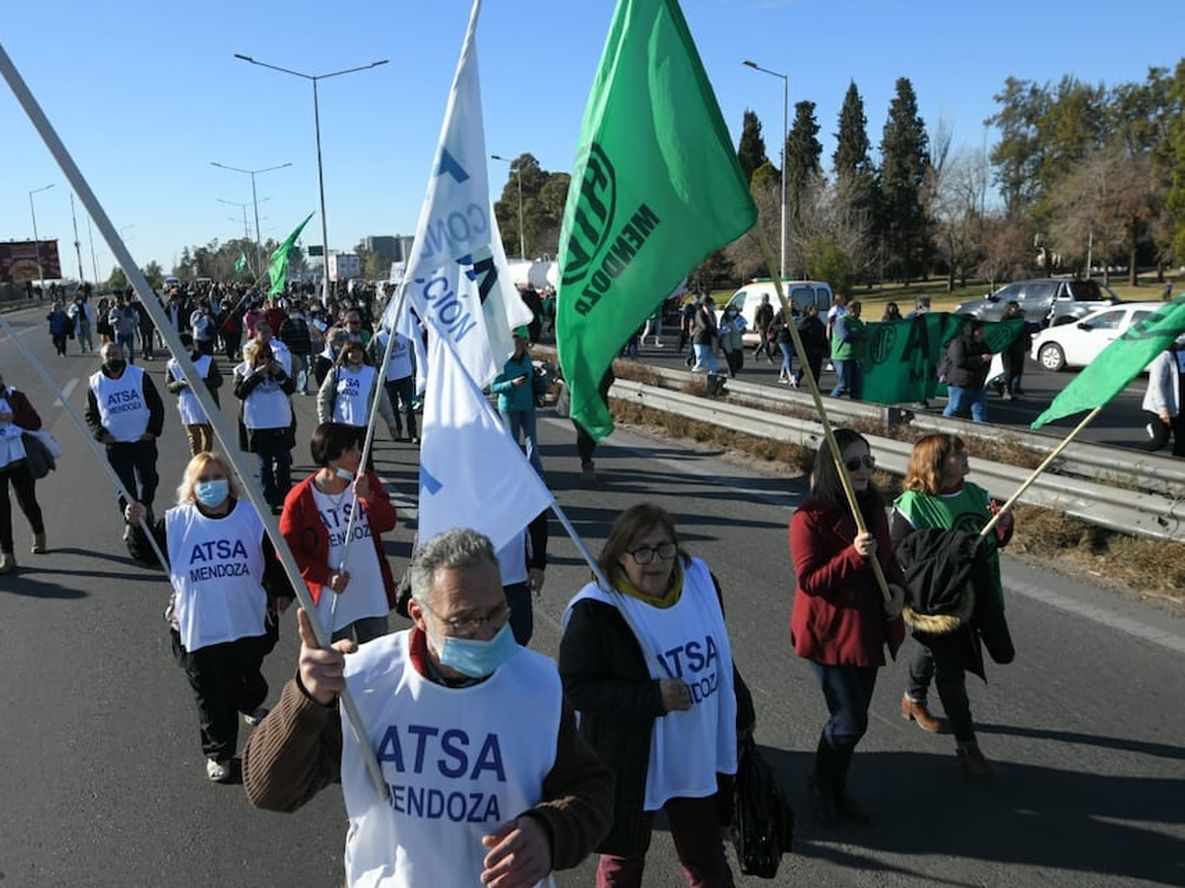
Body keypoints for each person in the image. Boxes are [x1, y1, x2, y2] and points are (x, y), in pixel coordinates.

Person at [243, 527, 614, 886]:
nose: (486, 633)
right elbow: (270, 790)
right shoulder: (364, 678)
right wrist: (305, 698)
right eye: (463, 620)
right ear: (419, 614)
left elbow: (593, 791)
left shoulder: (539, 683)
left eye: (497, 612)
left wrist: (551, 831)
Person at [560, 503, 745, 886]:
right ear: (619, 556)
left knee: (707, 860)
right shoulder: (597, 610)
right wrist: (651, 697)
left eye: (664, 547)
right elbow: (576, 689)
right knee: (624, 862)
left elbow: (721, 655)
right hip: (631, 761)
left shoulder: (699, 583)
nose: (655, 561)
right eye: (641, 551)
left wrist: (743, 715)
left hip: (694, 752)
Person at [125, 452, 293, 782]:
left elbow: (272, 558)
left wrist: (281, 591)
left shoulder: (250, 516)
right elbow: (146, 553)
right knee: (212, 694)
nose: (211, 485)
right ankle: (220, 753)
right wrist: (136, 525)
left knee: (247, 676)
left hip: (247, 621)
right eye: (203, 480)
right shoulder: (176, 522)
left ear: (229, 482)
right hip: (199, 629)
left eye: (217, 478)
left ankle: (247, 700)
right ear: (192, 485)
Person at [789, 429, 905, 827]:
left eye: (868, 462)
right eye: (853, 463)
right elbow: (810, 580)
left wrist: (897, 590)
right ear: (832, 467)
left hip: (867, 629)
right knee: (849, 721)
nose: (864, 470)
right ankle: (822, 783)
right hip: (829, 634)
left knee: (855, 721)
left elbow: (888, 562)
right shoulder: (808, 517)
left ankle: (835, 785)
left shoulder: (874, 505)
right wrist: (852, 556)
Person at [892, 434, 1015, 778]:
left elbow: (996, 540)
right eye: (955, 453)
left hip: (982, 594)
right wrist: (951, 552)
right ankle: (968, 748)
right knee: (951, 671)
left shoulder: (977, 495)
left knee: (928, 648)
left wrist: (1005, 525)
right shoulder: (912, 505)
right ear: (934, 463)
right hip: (940, 600)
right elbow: (901, 552)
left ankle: (912, 698)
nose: (964, 456)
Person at [281, 422, 398, 645]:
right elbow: (286, 551)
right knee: (340, 665)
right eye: (352, 449)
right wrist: (324, 575)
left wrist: (367, 498)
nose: (360, 454)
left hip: (370, 592)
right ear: (333, 456)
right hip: (331, 599)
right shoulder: (300, 498)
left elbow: (388, 522)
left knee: (375, 658)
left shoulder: (366, 482)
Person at [85, 342, 164, 537]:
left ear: (123, 354)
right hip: (116, 444)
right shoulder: (95, 382)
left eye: (116, 353)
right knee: (124, 486)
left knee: (149, 479)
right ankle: (130, 520)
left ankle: (147, 509)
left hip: (142, 440)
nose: (113, 357)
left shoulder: (139, 375)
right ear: (103, 359)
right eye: (108, 355)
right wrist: (101, 434)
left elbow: (156, 405)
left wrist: (152, 430)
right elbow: (91, 414)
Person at [233, 340, 296, 514]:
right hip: (258, 424)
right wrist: (256, 376)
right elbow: (240, 392)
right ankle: (269, 499)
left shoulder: (279, 368)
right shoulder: (243, 370)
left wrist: (278, 374)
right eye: (261, 357)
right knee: (264, 464)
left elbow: (291, 388)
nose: (265, 360)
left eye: (268, 356)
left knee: (283, 462)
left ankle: (287, 497)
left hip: (280, 422)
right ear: (254, 357)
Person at [0, 372, 47, 571]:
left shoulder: (15, 396)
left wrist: (13, 417)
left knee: (27, 501)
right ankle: (8, 555)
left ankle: (39, 533)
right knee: (1, 510)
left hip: (20, 460)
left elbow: (36, 422)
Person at [317, 339, 397, 455]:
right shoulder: (336, 372)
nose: (356, 354)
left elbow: (382, 399)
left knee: (365, 463)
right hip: (341, 425)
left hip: (364, 426)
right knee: (342, 461)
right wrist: (324, 423)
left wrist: (391, 424)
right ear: (345, 353)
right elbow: (323, 397)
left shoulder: (371, 372)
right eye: (352, 351)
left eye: (359, 351)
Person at [491, 327, 544, 477]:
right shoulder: (502, 363)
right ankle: (511, 474)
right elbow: (494, 387)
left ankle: (536, 476)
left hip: (528, 405)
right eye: (515, 344)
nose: (518, 347)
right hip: (509, 407)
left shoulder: (527, 360)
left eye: (520, 344)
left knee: (532, 442)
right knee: (512, 444)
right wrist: (512, 384)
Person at [165, 332, 223, 456]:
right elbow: (169, 386)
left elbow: (218, 380)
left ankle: (205, 459)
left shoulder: (207, 361)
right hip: (188, 405)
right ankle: (196, 463)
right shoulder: (172, 364)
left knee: (207, 435)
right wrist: (181, 383)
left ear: (192, 346)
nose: (184, 352)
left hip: (207, 403)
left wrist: (201, 382)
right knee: (193, 438)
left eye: (187, 348)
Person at [371, 325, 418, 443]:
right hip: (389, 377)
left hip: (405, 374)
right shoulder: (380, 337)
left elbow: (411, 352)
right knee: (393, 407)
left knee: (409, 406)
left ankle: (413, 433)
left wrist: (413, 369)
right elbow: (378, 359)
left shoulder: (405, 333)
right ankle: (397, 431)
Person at [1142, 336, 1185, 457]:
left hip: (1179, 407)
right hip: (1159, 408)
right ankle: (1128, 455)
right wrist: (1163, 410)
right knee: (1159, 442)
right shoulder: (1164, 356)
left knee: (1182, 445)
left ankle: (1177, 472)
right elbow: (1157, 385)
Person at [942, 320, 993, 422]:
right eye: (980, 331)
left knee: (979, 409)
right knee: (955, 407)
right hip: (960, 383)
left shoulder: (982, 343)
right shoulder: (958, 342)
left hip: (978, 382)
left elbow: (989, 354)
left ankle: (981, 433)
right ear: (972, 331)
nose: (983, 333)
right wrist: (980, 359)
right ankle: (942, 423)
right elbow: (959, 361)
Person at [576, 368, 614, 481]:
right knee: (583, 432)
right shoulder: (575, 354)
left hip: (598, 401)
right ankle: (586, 462)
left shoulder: (601, 357)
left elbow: (610, 378)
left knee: (592, 433)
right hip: (579, 399)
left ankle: (587, 459)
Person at [830, 300, 866, 400]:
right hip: (842, 357)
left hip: (855, 357)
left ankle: (856, 406)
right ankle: (830, 401)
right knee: (843, 384)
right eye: (858, 310)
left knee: (857, 386)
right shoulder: (842, 321)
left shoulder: (859, 322)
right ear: (851, 310)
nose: (859, 312)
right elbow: (845, 336)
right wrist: (860, 336)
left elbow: (866, 333)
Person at [999, 301, 1032, 400]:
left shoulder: (1020, 319)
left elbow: (1025, 332)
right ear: (1008, 309)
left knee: (1018, 370)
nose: (1016, 309)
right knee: (1009, 371)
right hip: (1008, 349)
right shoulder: (1005, 320)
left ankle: (1010, 387)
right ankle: (1006, 390)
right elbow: (1004, 334)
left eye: (1017, 307)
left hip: (1019, 347)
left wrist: (1028, 343)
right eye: (1014, 308)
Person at [278, 306, 313, 395]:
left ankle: (303, 388)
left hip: (302, 349)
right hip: (291, 350)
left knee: (303, 370)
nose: (295, 313)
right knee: (292, 370)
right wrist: (285, 349)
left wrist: (309, 348)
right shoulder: (285, 323)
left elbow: (307, 335)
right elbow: (282, 337)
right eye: (293, 312)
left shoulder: (302, 323)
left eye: (296, 311)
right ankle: (292, 386)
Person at [798, 303, 828, 386]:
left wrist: (825, 347)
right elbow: (800, 334)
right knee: (806, 366)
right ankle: (797, 378)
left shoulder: (819, 321)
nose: (817, 312)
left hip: (818, 348)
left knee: (816, 369)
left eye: (818, 310)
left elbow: (823, 333)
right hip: (808, 348)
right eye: (815, 310)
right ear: (810, 311)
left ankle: (815, 385)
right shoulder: (805, 321)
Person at [690, 296, 719, 374]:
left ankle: (713, 375)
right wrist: (713, 329)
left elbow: (714, 326)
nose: (713, 306)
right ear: (706, 305)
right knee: (701, 361)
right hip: (701, 339)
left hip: (711, 340)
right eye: (711, 304)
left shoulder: (712, 314)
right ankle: (694, 374)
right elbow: (704, 326)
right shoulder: (700, 313)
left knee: (713, 358)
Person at [718, 304, 746, 378]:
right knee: (731, 361)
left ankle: (733, 371)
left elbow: (743, 330)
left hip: (737, 343)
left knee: (739, 363)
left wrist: (743, 329)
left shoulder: (739, 318)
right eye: (731, 310)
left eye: (734, 310)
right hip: (728, 343)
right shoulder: (725, 319)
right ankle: (731, 374)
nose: (733, 311)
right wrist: (728, 347)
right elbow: (725, 333)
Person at [110, 297, 138, 363]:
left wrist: (132, 325)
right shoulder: (113, 311)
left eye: (120, 302)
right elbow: (109, 322)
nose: (119, 303)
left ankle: (131, 364)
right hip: (119, 334)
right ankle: (121, 364)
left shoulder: (128, 309)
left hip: (129, 333)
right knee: (119, 351)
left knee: (130, 351)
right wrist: (115, 320)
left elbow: (135, 319)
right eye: (117, 302)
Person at [774, 309, 796, 386]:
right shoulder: (781, 312)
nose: (792, 304)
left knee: (787, 357)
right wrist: (783, 326)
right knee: (788, 356)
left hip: (791, 338)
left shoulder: (794, 312)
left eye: (793, 302)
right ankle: (790, 376)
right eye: (791, 302)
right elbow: (773, 324)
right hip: (782, 338)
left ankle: (782, 376)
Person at [753, 293, 776, 363]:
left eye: (767, 298)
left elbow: (772, 317)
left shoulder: (770, 307)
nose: (767, 299)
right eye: (765, 298)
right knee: (766, 343)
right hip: (762, 328)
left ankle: (756, 353)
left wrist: (772, 326)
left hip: (768, 327)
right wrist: (758, 327)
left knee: (764, 342)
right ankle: (770, 359)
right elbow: (756, 319)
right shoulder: (759, 307)